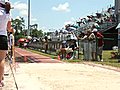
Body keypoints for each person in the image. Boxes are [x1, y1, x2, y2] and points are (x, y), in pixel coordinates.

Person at [0, 0, 12, 87]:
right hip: (3, 37)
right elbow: (9, 29)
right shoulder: (7, 14)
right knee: (1, 60)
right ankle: (0, 80)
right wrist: (12, 30)